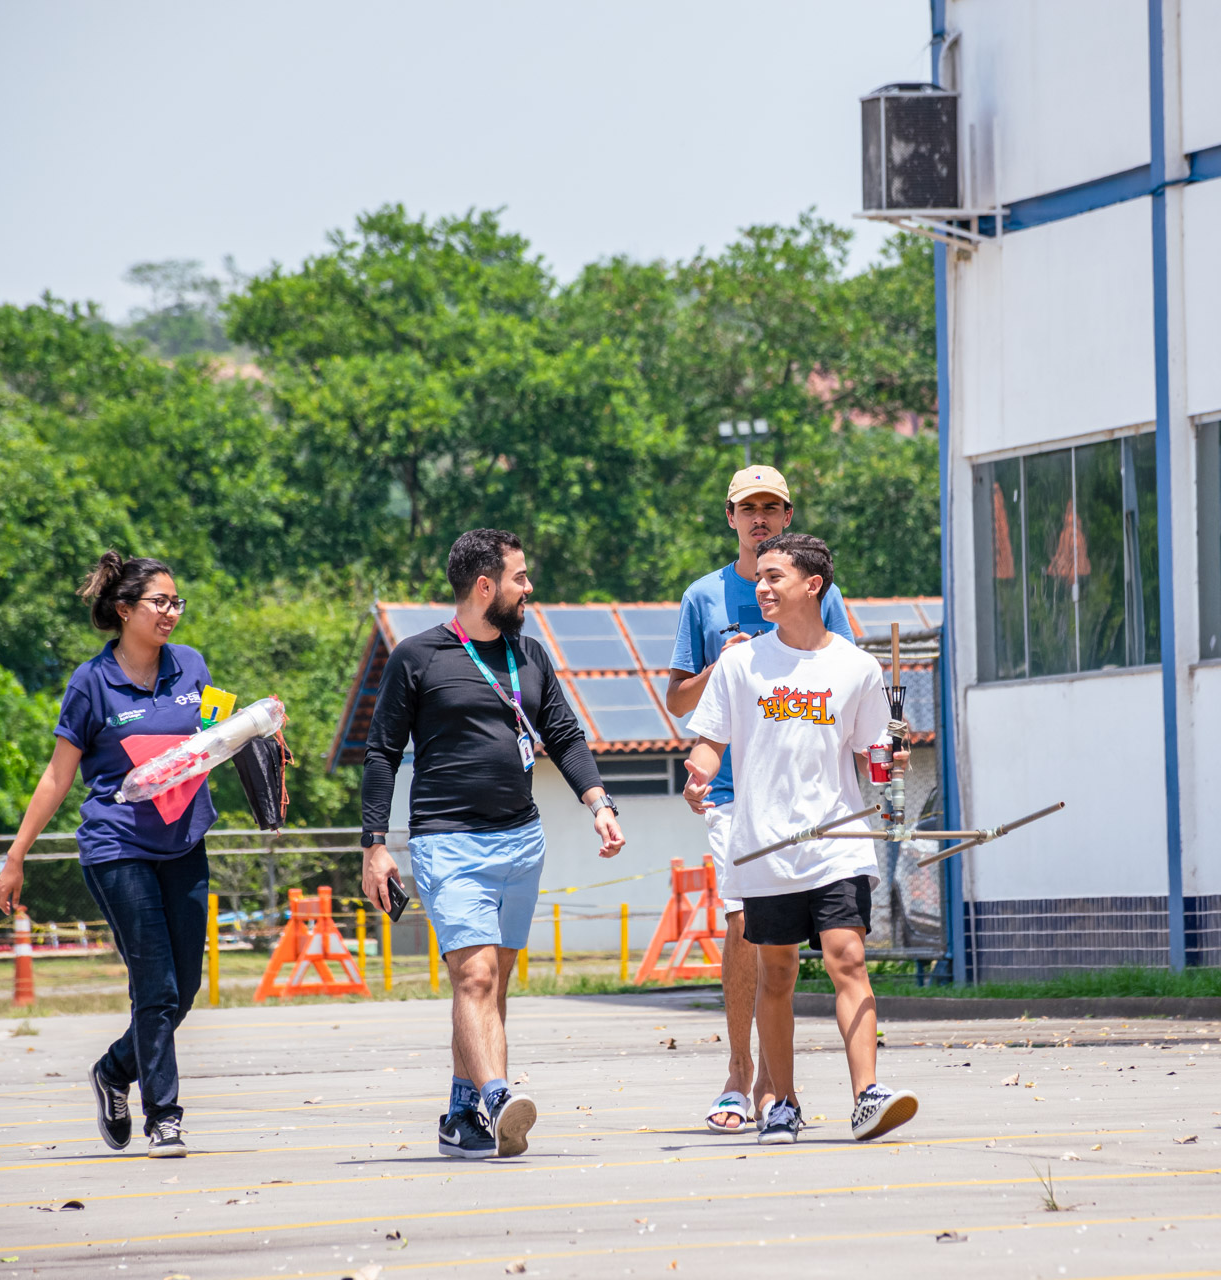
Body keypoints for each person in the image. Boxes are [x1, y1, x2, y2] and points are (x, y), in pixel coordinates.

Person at [360, 529, 625, 1160]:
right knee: (473, 976)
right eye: (520, 577)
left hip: (520, 840)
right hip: (447, 842)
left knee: (491, 986)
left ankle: (461, 1114)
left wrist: (598, 803)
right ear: (486, 586)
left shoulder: (529, 654)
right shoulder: (417, 658)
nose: (528, 588)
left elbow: (562, 733)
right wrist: (375, 844)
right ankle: (500, 1098)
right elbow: (381, 752)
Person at [682, 532, 918, 1145]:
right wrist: (698, 772)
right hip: (764, 844)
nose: (760, 587)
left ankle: (868, 1094)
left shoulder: (857, 666)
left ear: (812, 586)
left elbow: (874, 757)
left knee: (848, 958)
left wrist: (892, 758)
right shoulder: (740, 662)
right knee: (778, 974)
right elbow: (710, 737)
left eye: (774, 576)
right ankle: (780, 1100)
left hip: (836, 842)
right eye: (759, 577)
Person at [0, 551, 217, 1158]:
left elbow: (214, 741)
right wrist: (17, 855)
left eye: (178, 603)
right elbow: (57, 777)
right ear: (124, 610)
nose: (172, 613)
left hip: (185, 840)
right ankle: (164, 1116)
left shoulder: (192, 667)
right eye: (160, 602)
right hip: (117, 847)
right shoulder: (91, 682)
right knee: (156, 987)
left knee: (186, 987)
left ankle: (115, 1070)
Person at [665, 465, 855, 1134]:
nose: (761, 518)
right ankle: (739, 1074)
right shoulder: (704, 597)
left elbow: (846, 678)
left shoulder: (815, 591)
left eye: (773, 506)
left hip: (807, 795)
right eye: (750, 508)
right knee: (745, 922)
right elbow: (680, 699)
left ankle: (781, 1089)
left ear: (787, 514)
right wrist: (732, 664)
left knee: (803, 939)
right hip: (731, 796)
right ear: (731, 518)